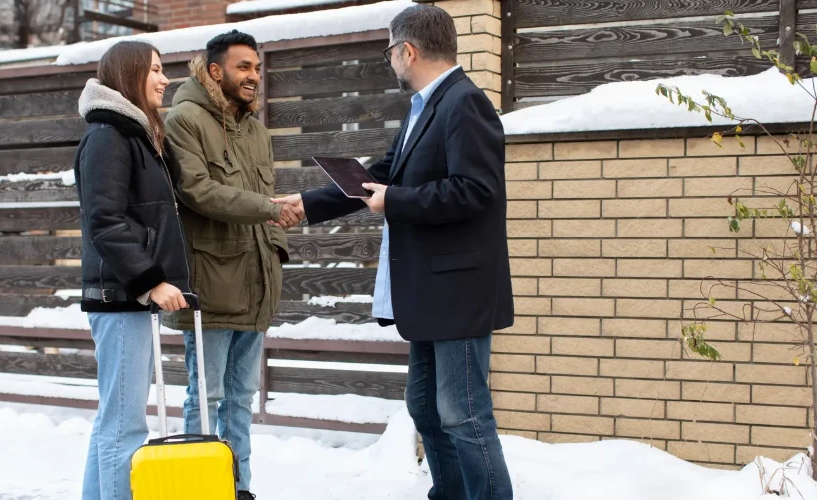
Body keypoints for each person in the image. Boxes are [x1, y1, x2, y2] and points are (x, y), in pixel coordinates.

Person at [273, 5, 515, 500]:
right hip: (430, 294)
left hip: (458, 293)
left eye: (390, 52)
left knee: (464, 413)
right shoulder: (426, 107)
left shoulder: (464, 103)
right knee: (426, 407)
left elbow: (477, 191)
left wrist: (396, 202)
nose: (391, 62)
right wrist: (307, 203)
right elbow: (379, 175)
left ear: (408, 50)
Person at [162, 30, 294, 500]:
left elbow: (267, 196)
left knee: (241, 402)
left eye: (257, 68)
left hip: (256, 285)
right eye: (244, 67)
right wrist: (268, 209)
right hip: (212, 287)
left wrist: (275, 244)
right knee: (207, 397)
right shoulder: (184, 120)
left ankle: (238, 490)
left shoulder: (255, 129)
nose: (254, 76)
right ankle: (197, 490)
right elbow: (198, 192)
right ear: (215, 71)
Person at [74, 40, 193, 500]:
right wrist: (152, 280)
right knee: (124, 427)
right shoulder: (108, 136)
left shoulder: (136, 134)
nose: (165, 80)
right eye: (156, 71)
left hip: (127, 297)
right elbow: (104, 221)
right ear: (129, 75)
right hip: (120, 296)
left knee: (113, 422)